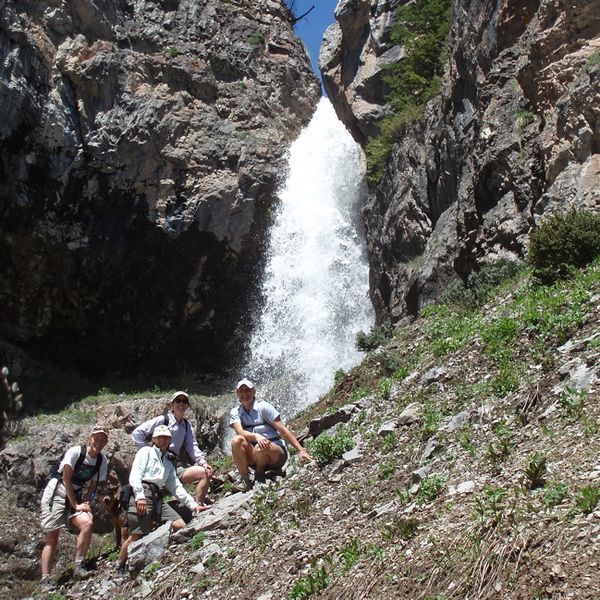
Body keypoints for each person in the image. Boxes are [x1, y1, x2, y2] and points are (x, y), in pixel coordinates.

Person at [117, 425, 204, 573]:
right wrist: (139, 497)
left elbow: (175, 487)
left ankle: (162, 549)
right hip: (143, 494)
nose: (163, 440)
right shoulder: (145, 452)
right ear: (154, 439)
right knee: (136, 535)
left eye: (166, 438)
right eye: (160, 437)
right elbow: (135, 475)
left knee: (180, 525)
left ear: (170, 440)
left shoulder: (168, 461)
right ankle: (120, 565)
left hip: (156, 497)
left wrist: (193, 505)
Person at [40, 425, 110, 589]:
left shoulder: (102, 461)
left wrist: (87, 502)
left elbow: (93, 487)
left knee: (87, 523)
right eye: (96, 438)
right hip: (57, 494)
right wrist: (76, 505)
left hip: (75, 498)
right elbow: (67, 480)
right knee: (52, 537)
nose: (99, 442)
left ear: (106, 442)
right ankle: (45, 579)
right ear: (90, 438)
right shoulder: (75, 452)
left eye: (103, 439)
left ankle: (79, 566)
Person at [131, 391, 212, 505]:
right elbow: (137, 433)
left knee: (205, 473)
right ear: (172, 405)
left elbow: (191, 446)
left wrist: (203, 462)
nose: (181, 404)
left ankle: (197, 506)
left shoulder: (186, 425)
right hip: (156, 465)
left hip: (173, 465)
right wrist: (147, 452)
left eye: (184, 401)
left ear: (187, 405)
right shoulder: (162, 420)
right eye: (178, 401)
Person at [230, 378, 312, 490]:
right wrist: (256, 436)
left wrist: (301, 450)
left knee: (260, 447)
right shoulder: (235, 412)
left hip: (275, 454)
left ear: (254, 392)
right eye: (242, 391)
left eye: (248, 390)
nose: (245, 393)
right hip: (255, 454)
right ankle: (245, 480)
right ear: (238, 394)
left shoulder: (263, 407)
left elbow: (282, 430)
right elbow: (240, 432)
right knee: (236, 440)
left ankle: (260, 475)